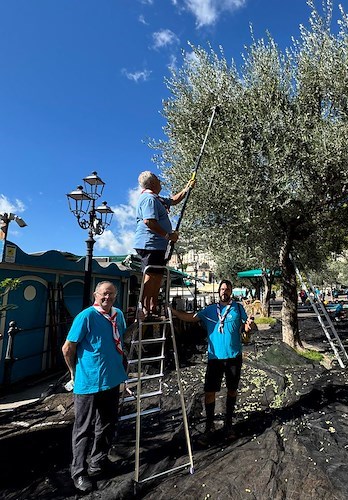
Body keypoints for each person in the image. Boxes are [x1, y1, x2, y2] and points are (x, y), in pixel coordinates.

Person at [61, 281, 127, 493]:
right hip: (88, 383)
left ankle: (98, 461)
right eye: (104, 294)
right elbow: (67, 348)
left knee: (107, 424)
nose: (108, 298)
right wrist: (74, 372)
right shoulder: (86, 317)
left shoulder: (118, 315)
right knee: (83, 429)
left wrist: (140, 321)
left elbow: (121, 337)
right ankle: (79, 472)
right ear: (95, 295)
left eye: (112, 295)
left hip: (111, 380)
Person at [171, 279, 255, 443]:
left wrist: (249, 326)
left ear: (231, 292)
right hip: (214, 358)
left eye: (228, 289)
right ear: (219, 292)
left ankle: (228, 425)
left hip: (233, 357)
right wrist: (172, 311)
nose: (225, 291)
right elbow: (190, 318)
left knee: (232, 390)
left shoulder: (238, 308)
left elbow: (246, 327)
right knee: (209, 391)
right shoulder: (209, 310)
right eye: (222, 289)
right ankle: (210, 427)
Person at [134, 170, 193, 320]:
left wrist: (187, 188)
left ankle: (152, 307)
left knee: (157, 275)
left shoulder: (157, 198)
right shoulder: (149, 199)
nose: (161, 182)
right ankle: (145, 309)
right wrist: (168, 235)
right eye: (158, 180)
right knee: (151, 275)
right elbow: (149, 221)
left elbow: (173, 200)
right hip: (150, 244)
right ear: (152, 183)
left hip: (158, 246)